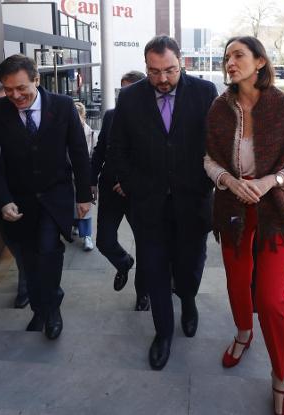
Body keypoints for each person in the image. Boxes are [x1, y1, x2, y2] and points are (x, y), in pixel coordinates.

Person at [204, 36, 284, 415]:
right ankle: (243, 333)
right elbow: (210, 160)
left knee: (269, 297)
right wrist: (229, 182)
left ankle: (281, 378)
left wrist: (269, 182)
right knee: (236, 280)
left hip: (277, 211)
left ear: (260, 62)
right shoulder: (220, 109)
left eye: (238, 55)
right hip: (233, 208)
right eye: (226, 57)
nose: (230, 62)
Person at [109, 35, 218, 370]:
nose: (163, 79)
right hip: (148, 206)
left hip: (193, 201)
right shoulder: (129, 98)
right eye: (154, 72)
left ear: (181, 62)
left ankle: (188, 300)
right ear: (146, 67)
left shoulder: (205, 93)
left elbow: (215, 144)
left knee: (189, 266)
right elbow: (118, 149)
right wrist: (131, 186)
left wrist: (205, 184)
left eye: (169, 70)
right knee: (154, 271)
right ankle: (163, 333)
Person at [0, 54, 92, 340]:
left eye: (21, 88)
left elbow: (78, 152)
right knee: (29, 261)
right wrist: (3, 199)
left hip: (55, 196)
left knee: (48, 252)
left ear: (37, 81)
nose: (15, 95)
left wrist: (84, 196)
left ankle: (51, 311)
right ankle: (43, 304)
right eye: (8, 89)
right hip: (18, 200)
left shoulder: (63, 107)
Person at [90, 70, 150, 311]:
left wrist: (132, 181)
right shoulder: (111, 115)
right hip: (110, 190)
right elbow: (101, 150)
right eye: (121, 90)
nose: (123, 95)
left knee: (146, 245)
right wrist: (90, 181)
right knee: (103, 241)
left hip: (140, 193)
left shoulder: (155, 118)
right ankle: (124, 263)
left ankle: (143, 293)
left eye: (129, 90)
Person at [0, 84, 29, 309]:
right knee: (11, 240)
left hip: (28, 197)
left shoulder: (26, 127)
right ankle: (27, 274)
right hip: (0, 199)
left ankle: (27, 282)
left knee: (32, 246)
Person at [73, 102, 97, 251]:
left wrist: (93, 178)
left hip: (85, 173)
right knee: (71, 202)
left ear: (83, 116)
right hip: (68, 173)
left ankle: (87, 235)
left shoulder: (90, 133)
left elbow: (95, 155)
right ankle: (75, 225)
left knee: (84, 205)